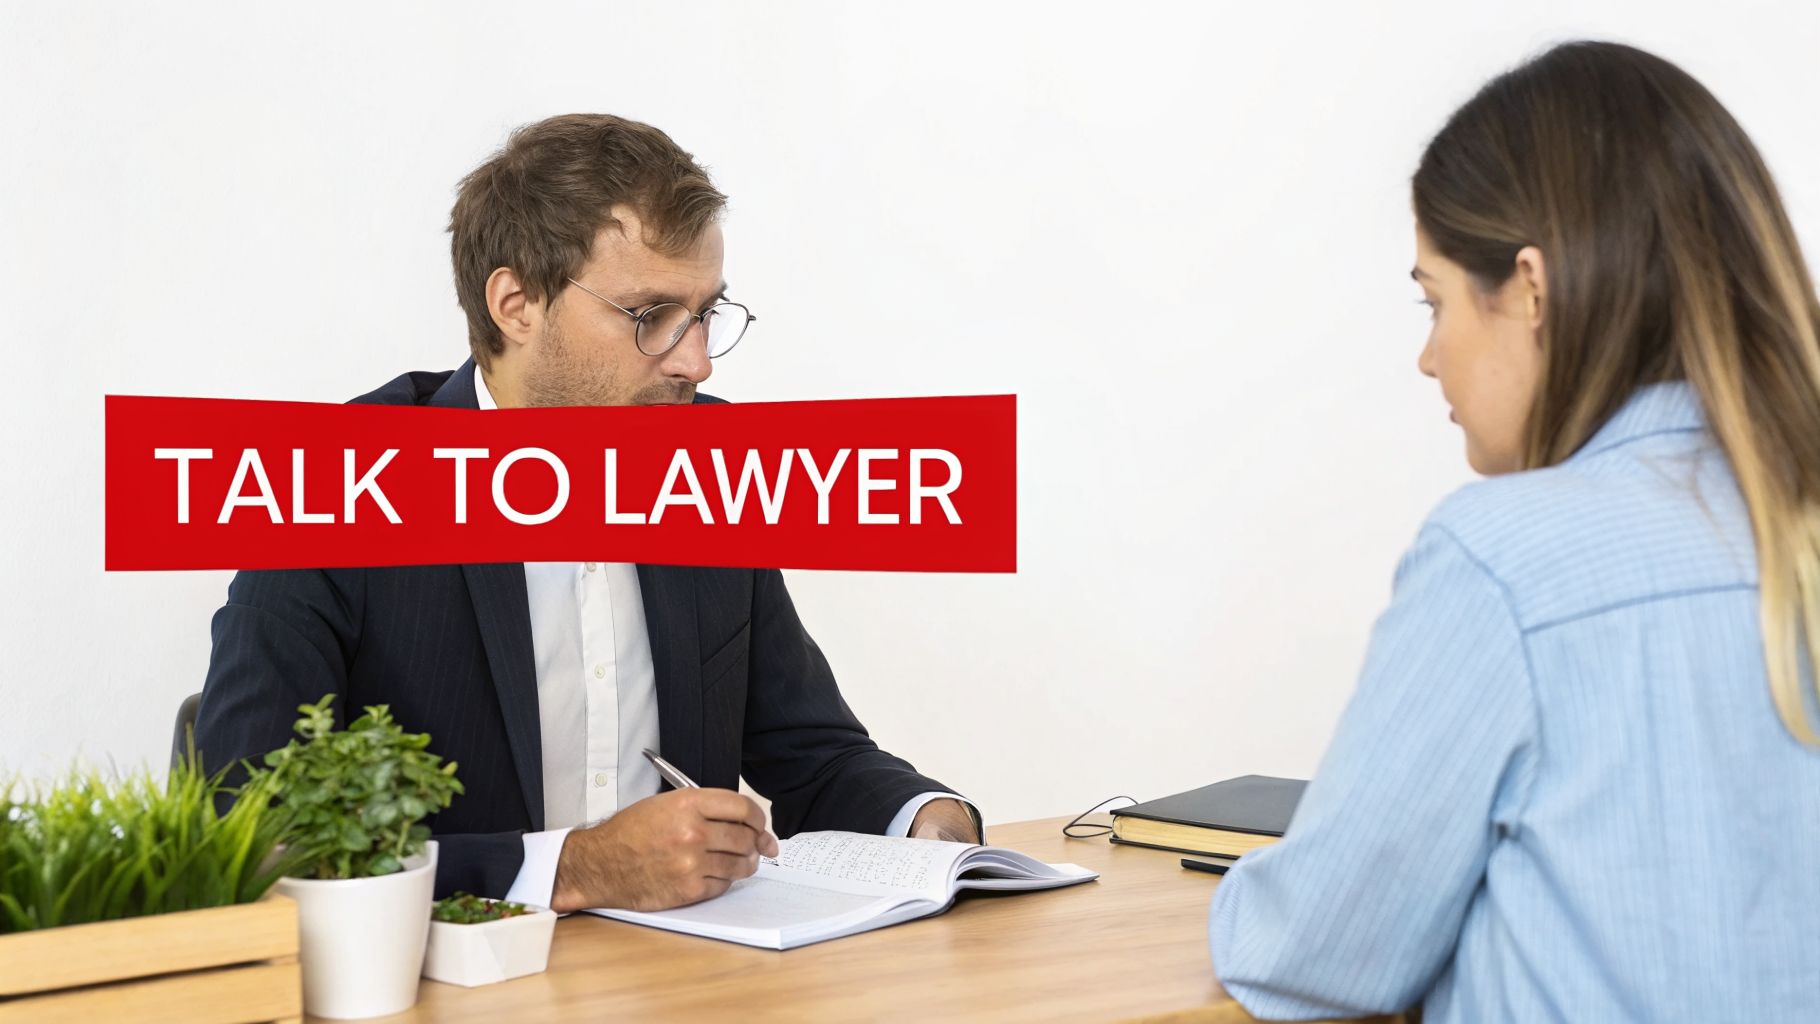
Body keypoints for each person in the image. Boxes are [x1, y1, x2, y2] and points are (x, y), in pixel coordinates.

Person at [195, 113, 980, 914]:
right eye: (650, 317)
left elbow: (810, 752)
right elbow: (251, 835)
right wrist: (573, 869)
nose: (696, 360)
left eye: (706, 311)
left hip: (688, 982)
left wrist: (927, 823)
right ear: (516, 304)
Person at [1208, 42, 1820, 1021]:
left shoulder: (1506, 559)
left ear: (1529, 288)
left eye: (1433, 298)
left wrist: (1251, 887)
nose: (1425, 356)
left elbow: (1311, 951)